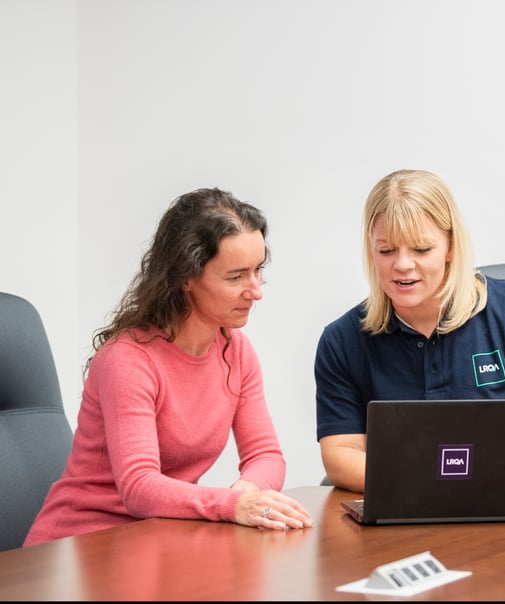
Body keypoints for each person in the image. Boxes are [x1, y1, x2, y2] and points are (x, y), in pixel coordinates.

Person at [24, 187, 312, 546]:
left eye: (258, 271)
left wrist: (248, 491)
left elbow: (265, 454)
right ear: (185, 276)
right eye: (236, 277)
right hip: (80, 544)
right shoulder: (127, 360)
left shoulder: (235, 351)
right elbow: (139, 487)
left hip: (156, 538)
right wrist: (232, 505)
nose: (256, 291)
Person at [314, 169, 505, 495]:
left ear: (450, 246)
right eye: (386, 250)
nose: (402, 265)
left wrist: (451, 430)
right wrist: (430, 478)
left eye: (421, 249)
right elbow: (340, 455)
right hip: (408, 499)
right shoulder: (341, 341)